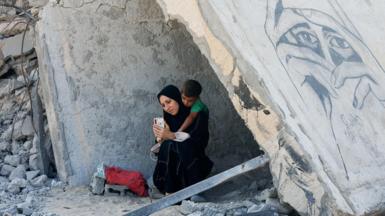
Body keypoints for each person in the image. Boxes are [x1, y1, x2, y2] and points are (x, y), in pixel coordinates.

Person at [152, 85, 213, 196]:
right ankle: (169, 190)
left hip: (194, 167)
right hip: (174, 172)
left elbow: (198, 143)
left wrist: (172, 136)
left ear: (177, 98)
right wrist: (160, 139)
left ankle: (179, 191)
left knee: (172, 144)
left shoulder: (198, 115)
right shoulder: (168, 119)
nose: (167, 107)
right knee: (167, 144)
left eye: (169, 102)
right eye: (163, 105)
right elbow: (158, 153)